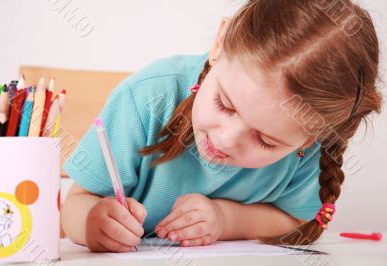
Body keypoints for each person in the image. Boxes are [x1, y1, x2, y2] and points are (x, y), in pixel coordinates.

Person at [61, 0, 384, 252]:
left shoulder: (306, 148)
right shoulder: (147, 96)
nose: (226, 140)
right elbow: (73, 205)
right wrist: (91, 223)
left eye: (265, 140)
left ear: (311, 139)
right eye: (224, 104)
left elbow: (299, 221)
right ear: (220, 43)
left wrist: (224, 218)